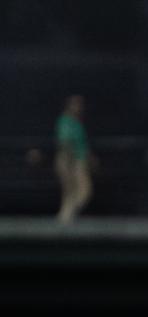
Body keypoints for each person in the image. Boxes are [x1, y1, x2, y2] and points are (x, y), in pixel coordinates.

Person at [53, 95, 93, 224]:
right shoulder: (65, 121)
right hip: (70, 159)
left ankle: (65, 219)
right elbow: (65, 142)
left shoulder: (76, 122)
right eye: (76, 104)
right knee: (78, 191)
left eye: (81, 105)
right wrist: (70, 163)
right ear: (69, 105)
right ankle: (65, 219)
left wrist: (89, 158)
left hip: (79, 160)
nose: (80, 107)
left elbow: (82, 143)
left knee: (76, 193)